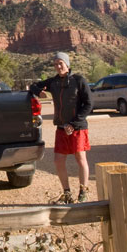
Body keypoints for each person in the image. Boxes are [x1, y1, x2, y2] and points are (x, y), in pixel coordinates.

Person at [29, 52, 93, 204]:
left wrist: (74, 123)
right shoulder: (54, 82)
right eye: (56, 64)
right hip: (61, 128)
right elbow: (33, 86)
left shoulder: (79, 81)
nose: (58, 67)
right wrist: (40, 92)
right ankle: (67, 193)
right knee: (58, 161)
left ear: (67, 64)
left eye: (61, 63)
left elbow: (89, 104)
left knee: (80, 158)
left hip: (77, 127)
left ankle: (83, 191)